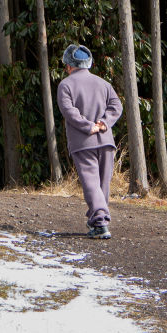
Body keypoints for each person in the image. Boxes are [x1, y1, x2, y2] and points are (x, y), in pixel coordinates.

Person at [56, 43, 122, 240]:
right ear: (89, 64)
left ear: (68, 66)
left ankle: (100, 222)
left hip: (83, 142)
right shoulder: (103, 84)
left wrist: (87, 126)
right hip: (106, 141)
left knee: (91, 183)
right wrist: (104, 122)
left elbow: (69, 111)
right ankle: (98, 219)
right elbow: (116, 106)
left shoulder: (65, 85)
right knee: (102, 184)